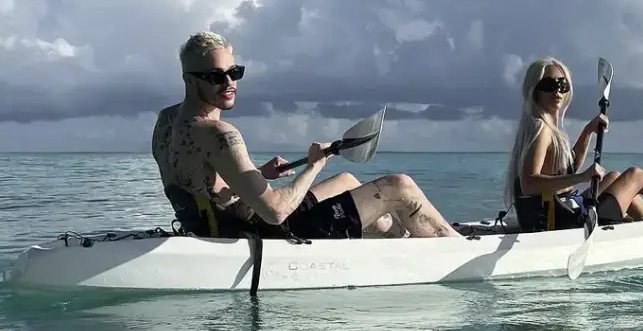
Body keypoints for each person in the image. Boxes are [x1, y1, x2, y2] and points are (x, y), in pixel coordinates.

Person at [151, 31, 461, 240]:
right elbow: (275, 212)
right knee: (399, 186)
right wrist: (313, 166)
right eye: (218, 77)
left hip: (219, 225)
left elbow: (205, 189)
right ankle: (454, 249)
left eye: (235, 72)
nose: (230, 83)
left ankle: (399, 240)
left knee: (348, 182)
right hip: (266, 232)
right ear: (190, 81)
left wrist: (258, 174)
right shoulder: (220, 134)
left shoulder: (166, 121)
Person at [504, 57, 643, 232]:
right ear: (534, 90)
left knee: (612, 177)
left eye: (562, 84)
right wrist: (583, 177)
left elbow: (567, 168)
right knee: (636, 176)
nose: (557, 91)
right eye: (548, 84)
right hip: (560, 224)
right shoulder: (541, 129)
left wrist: (588, 132)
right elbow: (529, 184)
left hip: (559, 213)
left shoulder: (543, 127)